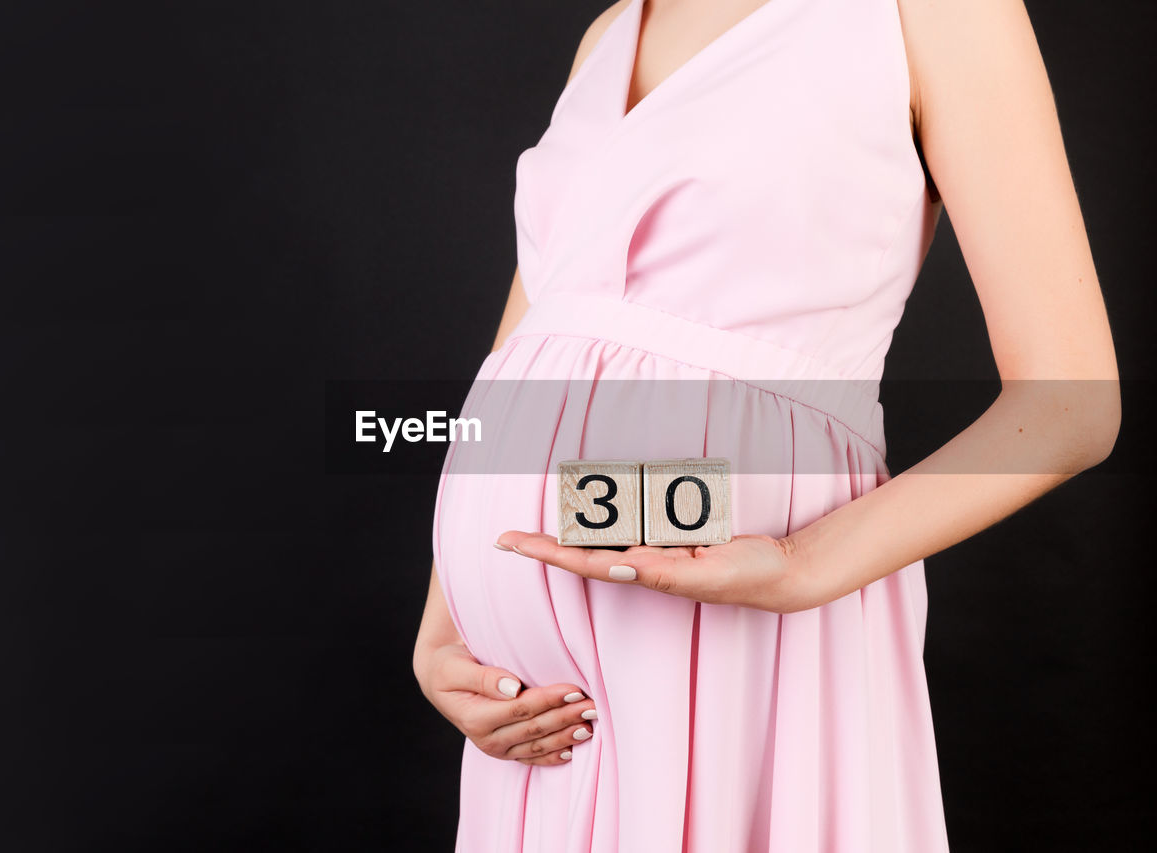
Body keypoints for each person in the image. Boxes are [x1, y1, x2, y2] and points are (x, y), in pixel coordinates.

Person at [412, 1, 1120, 850]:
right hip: (532, 702)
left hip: (745, 624)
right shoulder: (609, 34)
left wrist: (800, 563)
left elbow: (1072, 405)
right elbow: (534, 349)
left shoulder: (931, 12)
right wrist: (447, 618)